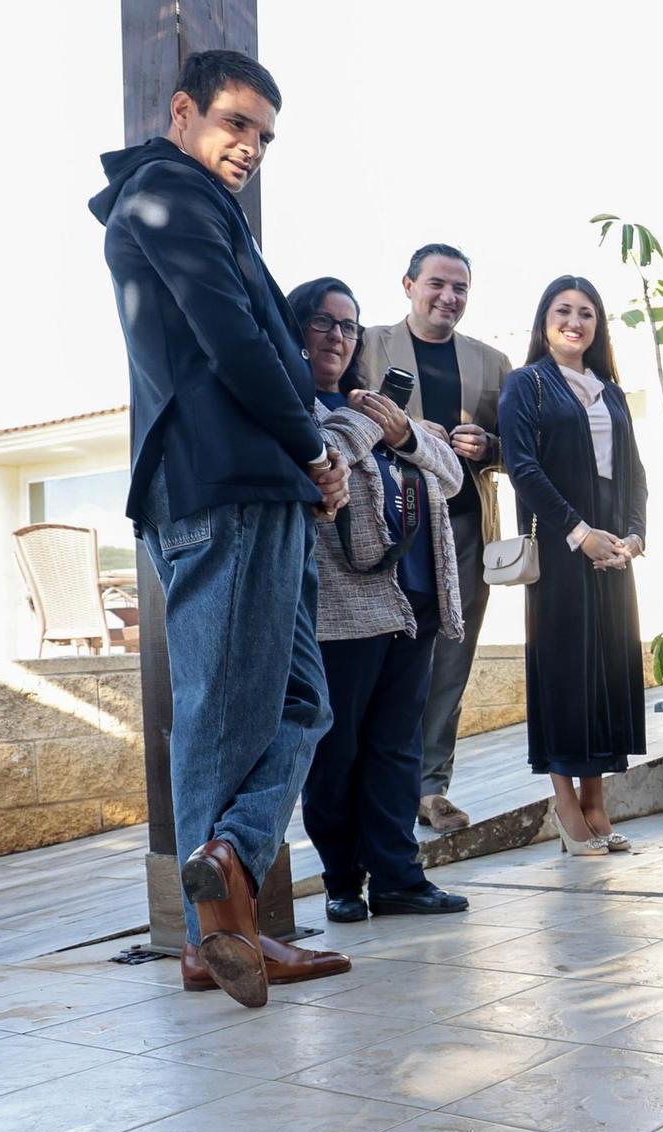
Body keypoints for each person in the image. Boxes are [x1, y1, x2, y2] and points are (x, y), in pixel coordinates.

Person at [91, 49, 351, 1007]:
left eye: (264, 137)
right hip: (222, 485)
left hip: (256, 485)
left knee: (297, 702)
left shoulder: (196, 200)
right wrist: (313, 449)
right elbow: (233, 336)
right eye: (237, 124)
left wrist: (301, 461)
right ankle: (218, 926)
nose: (250, 148)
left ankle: (226, 875)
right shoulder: (169, 192)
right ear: (185, 109)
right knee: (223, 708)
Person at [291, 278, 474, 922]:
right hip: (345, 611)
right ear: (294, 329)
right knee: (337, 754)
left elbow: (451, 475)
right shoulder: (299, 413)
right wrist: (378, 424)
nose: (338, 337)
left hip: (415, 603)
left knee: (399, 750)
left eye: (349, 326)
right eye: (323, 323)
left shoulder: (381, 413)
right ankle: (343, 879)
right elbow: (329, 455)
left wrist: (402, 434)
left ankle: (399, 877)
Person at [357, 244, 513, 835]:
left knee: (452, 658)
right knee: (385, 659)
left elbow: (517, 445)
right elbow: (336, 415)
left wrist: (488, 448)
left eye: (461, 288)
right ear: (408, 285)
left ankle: (431, 787)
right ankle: (378, 787)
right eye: (438, 284)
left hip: (465, 526)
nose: (449, 297)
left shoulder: (492, 362)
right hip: (389, 526)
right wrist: (398, 431)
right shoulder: (369, 345)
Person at [501, 277, 649, 855]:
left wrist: (633, 539)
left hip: (613, 554)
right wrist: (580, 534)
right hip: (563, 553)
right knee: (564, 671)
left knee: (606, 671)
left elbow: (634, 473)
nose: (575, 321)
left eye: (587, 313)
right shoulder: (527, 384)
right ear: (543, 321)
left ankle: (597, 800)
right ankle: (566, 802)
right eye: (563, 310)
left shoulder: (609, 391)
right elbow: (522, 467)